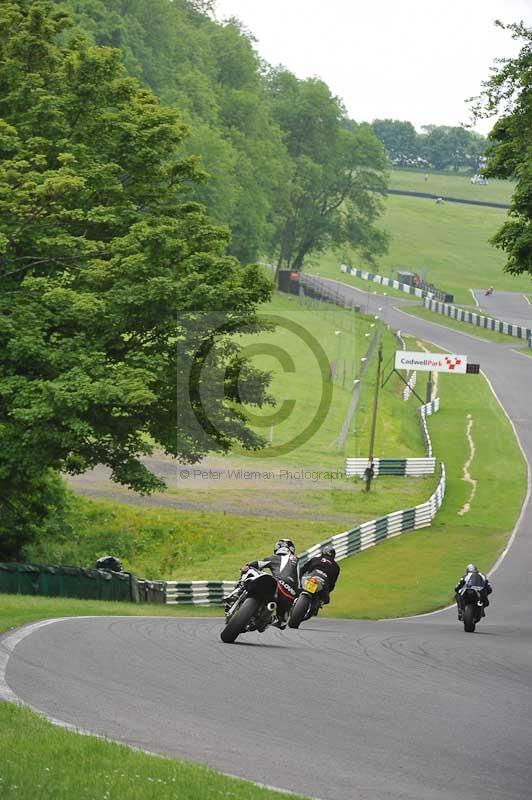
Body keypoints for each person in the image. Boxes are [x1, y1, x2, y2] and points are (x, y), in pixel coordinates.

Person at [224, 539, 299, 629]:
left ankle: (236, 594)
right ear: (292, 549)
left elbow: (257, 564)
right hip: (290, 594)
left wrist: (247, 566)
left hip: (277, 584)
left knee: (249, 570)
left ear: (277, 548)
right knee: (282, 622)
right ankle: (268, 619)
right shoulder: (298, 561)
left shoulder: (274, 557)